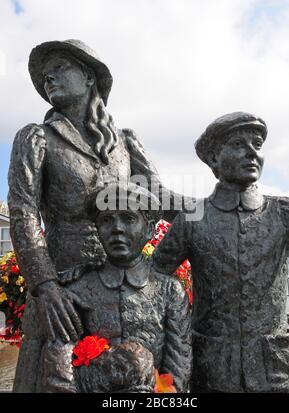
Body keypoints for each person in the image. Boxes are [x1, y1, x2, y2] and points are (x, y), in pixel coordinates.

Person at [9, 39, 182, 392]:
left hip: (121, 286)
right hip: (64, 291)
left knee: (135, 381)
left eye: (59, 68)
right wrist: (45, 285)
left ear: (90, 77)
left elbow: (161, 200)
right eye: (45, 75)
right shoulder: (36, 138)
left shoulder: (125, 142)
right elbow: (23, 211)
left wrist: (221, 202)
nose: (49, 78)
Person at [154, 112, 289, 393]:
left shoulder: (284, 213)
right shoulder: (192, 218)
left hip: (276, 372)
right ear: (213, 159)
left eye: (257, 144)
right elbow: (155, 279)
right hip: (213, 371)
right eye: (237, 144)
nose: (251, 153)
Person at [40, 183, 191, 393]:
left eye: (128, 218)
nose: (117, 228)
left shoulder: (170, 291)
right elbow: (60, 369)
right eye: (107, 220)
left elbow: (179, 363)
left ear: (149, 229)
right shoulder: (76, 290)